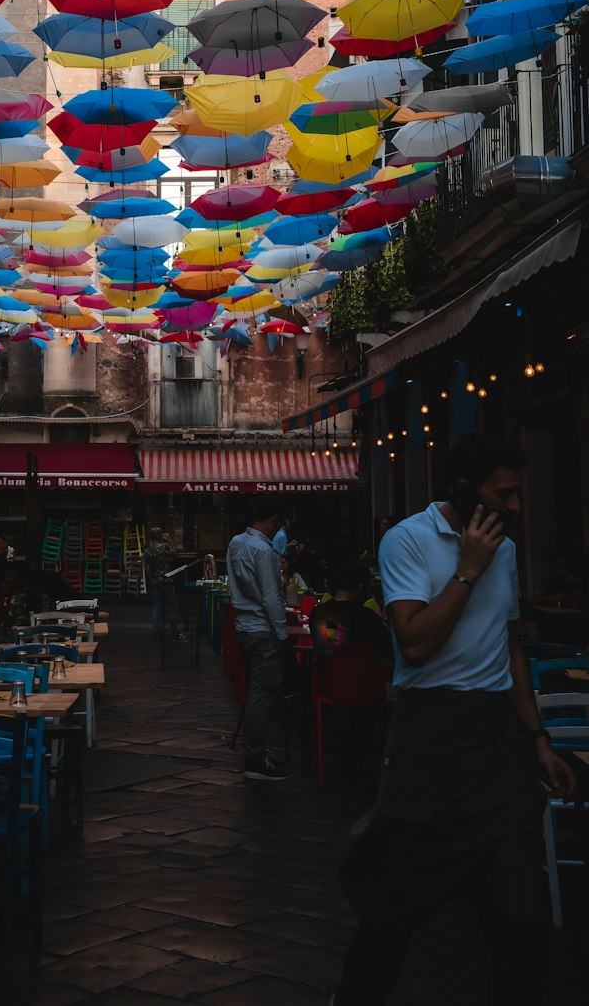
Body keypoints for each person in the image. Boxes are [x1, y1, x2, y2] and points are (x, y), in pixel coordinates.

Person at [330, 430, 576, 1006]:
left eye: (519, 495)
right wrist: (467, 569)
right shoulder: (407, 540)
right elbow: (414, 645)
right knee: (395, 903)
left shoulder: (507, 548)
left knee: (522, 914)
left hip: (497, 740)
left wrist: (536, 737)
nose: (515, 507)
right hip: (431, 736)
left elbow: (510, 648)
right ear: (465, 490)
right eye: (504, 494)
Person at [226, 504, 290, 781]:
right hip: (262, 629)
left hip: (243, 627)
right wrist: (282, 633)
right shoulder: (264, 551)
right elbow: (271, 597)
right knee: (260, 695)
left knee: (256, 691)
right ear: (273, 518)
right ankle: (256, 760)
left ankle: (259, 752)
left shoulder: (235, 542)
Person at [309, 561, 392, 663]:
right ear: (361, 587)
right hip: (363, 675)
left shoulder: (317, 613)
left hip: (329, 675)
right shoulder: (367, 616)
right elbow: (387, 648)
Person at [145, 527, 179, 637]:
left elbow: (148, 568)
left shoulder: (148, 550)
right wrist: (169, 540)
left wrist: (151, 578)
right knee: (172, 605)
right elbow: (174, 553)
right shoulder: (163, 547)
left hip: (155, 581)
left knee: (156, 606)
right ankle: (174, 630)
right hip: (166, 579)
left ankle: (157, 631)